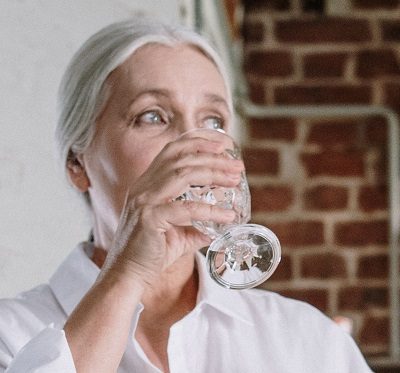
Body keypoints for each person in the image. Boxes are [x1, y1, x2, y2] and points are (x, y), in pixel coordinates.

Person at [0, 18, 372, 373]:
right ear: (77, 164)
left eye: (214, 121)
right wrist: (127, 274)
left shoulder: (306, 340)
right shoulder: (11, 335)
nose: (195, 146)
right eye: (152, 117)